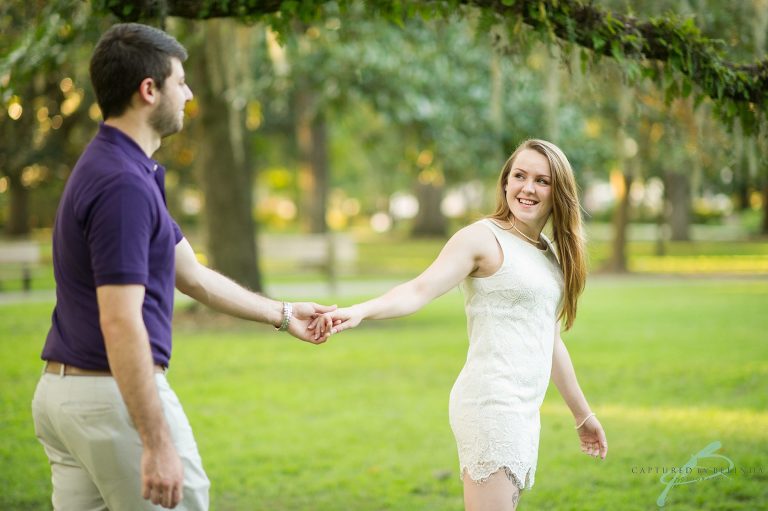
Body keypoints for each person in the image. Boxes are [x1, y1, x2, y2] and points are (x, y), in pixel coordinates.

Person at [31, 23, 334, 511]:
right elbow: (120, 318)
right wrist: (155, 443)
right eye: (180, 81)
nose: (189, 93)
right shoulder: (122, 186)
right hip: (109, 399)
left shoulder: (121, 169)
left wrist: (283, 314)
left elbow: (190, 274)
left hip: (67, 397)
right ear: (148, 91)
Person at [315, 139, 608, 511]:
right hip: (490, 403)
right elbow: (419, 288)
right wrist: (360, 311)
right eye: (519, 176)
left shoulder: (549, 253)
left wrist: (583, 415)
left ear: (558, 192)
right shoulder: (481, 239)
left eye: (542, 180)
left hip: (523, 410)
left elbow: (547, 339)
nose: (528, 188)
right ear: (505, 182)